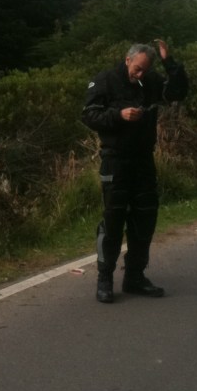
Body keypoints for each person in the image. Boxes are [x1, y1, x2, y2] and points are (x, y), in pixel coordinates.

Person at [81, 39, 189, 304]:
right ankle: (105, 278)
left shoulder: (150, 81)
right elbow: (89, 115)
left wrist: (169, 63)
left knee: (145, 220)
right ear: (128, 60)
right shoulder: (105, 80)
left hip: (143, 160)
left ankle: (135, 277)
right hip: (115, 161)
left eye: (146, 69)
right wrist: (119, 115)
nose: (140, 74)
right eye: (138, 68)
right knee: (114, 220)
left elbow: (178, 93)